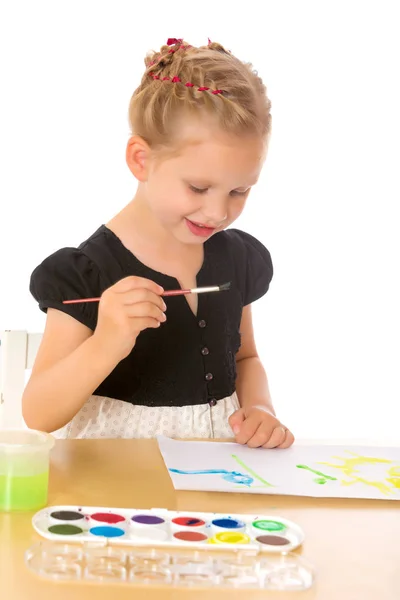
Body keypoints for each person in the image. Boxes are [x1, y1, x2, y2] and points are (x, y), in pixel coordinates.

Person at [23, 37, 294, 448]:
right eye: (199, 187)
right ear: (141, 160)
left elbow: (245, 358)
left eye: (239, 191)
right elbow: (38, 414)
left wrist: (261, 409)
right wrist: (106, 342)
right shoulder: (86, 272)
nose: (218, 213)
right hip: (114, 482)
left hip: (215, 475)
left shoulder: (237, 258)